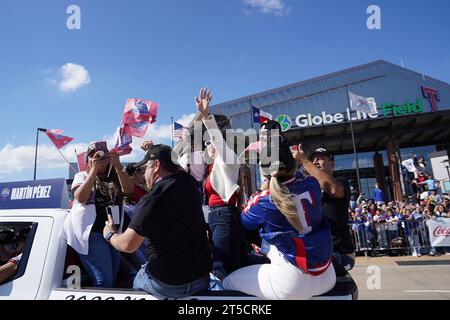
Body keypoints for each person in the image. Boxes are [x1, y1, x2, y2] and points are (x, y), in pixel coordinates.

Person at [222, 143, 336, 300]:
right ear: (293, 164)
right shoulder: (312, 184)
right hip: (327, 276)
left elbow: (245, 222)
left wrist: (263, 189)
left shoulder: (262, 200)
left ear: (265, 172)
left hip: (291, 283)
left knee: (228, 282)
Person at [103, 144, 212, 299]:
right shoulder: (189, 183)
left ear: (156, 166)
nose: (144, 174)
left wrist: (110, 235)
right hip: (201, 280)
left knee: (138, 277)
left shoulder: (153, 198)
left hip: (168, 285)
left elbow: (128, 245)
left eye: (145, 168)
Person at [64, 141, 134, 287]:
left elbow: (128, 190)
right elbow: (80, 197)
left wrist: (118, 165)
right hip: (92, 234)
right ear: (88, 160)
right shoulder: (82, 176)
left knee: (113, 276)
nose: (100, 159)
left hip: (113, 232)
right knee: (104, 280)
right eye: (94, 156)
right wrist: (93, 170)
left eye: (104, 155)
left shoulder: (115, 175)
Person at [195, 88, 247, 280]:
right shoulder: (212, 167)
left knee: (221, 265)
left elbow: (217, 139)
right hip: (216, 216)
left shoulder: (229, 158)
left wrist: (206, 116)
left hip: (224, 214)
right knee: (226, 262)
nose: (208, 146)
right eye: (206, 143)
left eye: (211, 142)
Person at [292, 147, 355, 277]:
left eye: (320, 158)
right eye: (313, 158)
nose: (315, 161)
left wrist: (304, 161)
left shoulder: (341, 182)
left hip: (340, 254)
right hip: (315, 251)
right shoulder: (307, 189)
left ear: (332, 164)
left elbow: (333, 189)